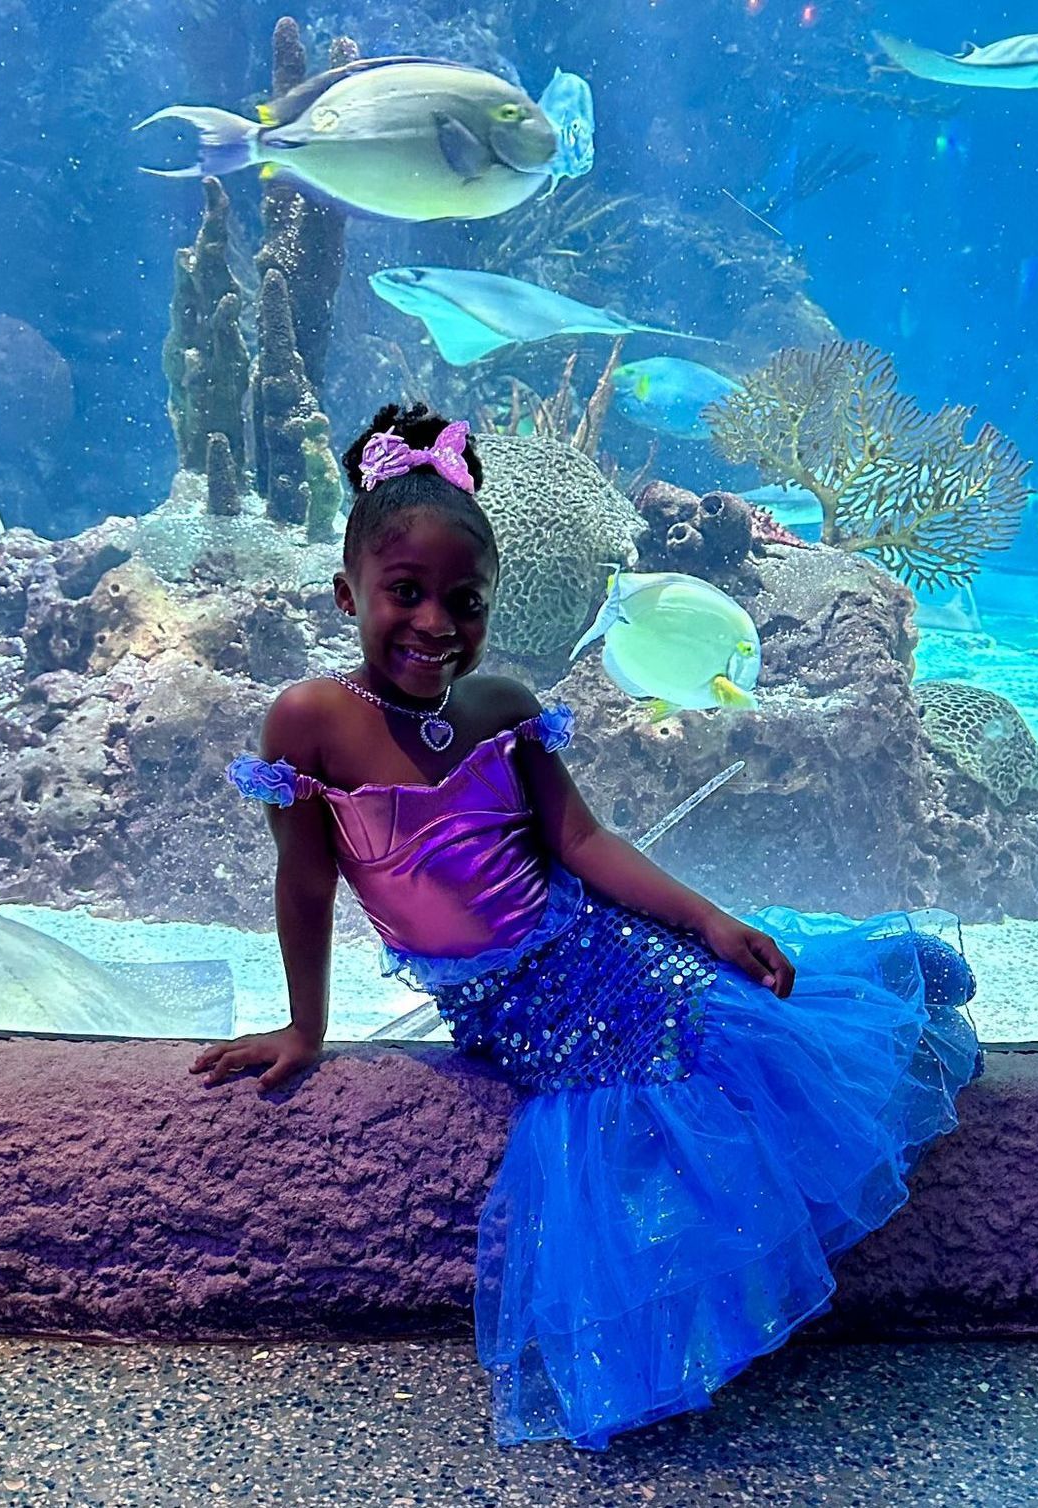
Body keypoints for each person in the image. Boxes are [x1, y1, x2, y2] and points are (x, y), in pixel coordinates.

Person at [192, 402, 983, 1451]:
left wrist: (709, 916)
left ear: (492, 605)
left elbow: (584, 842)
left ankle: (888, 980)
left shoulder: (504, 706)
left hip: (599, 946)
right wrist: (304, 1028)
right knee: (641, 1114)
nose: (435, 622)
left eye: (462, 600)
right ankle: (879, 995)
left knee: (742, 1029)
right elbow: (305, 882)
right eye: (406, 593)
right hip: (507, 1007)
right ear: (349, 595)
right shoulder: (308, 720)